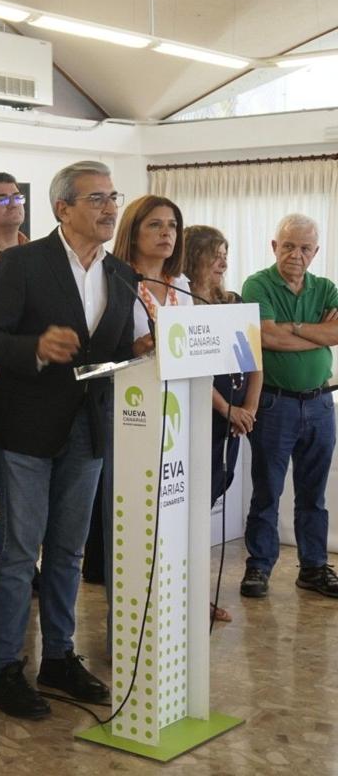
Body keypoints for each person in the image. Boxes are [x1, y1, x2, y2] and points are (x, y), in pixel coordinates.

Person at [0, 160, 134, 719]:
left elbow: (110, 351)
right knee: (19, 552)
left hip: (89, 430)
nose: (110, 207)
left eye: (113, 196)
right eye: (96, 198)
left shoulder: (123, 274)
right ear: (63, 208)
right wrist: (36, 347)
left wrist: (141, 352)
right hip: (26, 428)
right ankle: (3, 669)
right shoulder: (22, 263)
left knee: (67, 551)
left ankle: (59, 658)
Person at [239, 214, 338, 600]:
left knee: (313, 493)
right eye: (289, 246)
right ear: (274, 246)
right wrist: (314, 333)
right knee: (267, 490)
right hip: (275, 403)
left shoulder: (326, 287)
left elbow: (336, 332)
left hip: (320, 405)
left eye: (305, 248)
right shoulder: (257, 284)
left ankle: (313, 568)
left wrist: (291, 327)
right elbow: (266, 337)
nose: (296, 255)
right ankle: (259, 567)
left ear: (315, 252)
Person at [184, 225, 262, 621]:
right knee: (187, 514)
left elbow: (253, 359)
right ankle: (188, 596)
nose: (223, 263)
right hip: (201, 417)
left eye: (225, 254)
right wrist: (225, 409)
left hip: (231, 419)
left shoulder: (233, 301)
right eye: (214, 254)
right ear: (193, 255)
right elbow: (194, 370)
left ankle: (198, 596)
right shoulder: (182, 303)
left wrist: (246, 407)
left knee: (216, 490)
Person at [111, 195, 193, 356]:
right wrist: (134, 351)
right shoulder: (116, 281)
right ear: (133, 234)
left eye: (172, 226)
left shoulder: (181, 283)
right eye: (155, 225)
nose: (166, 233)